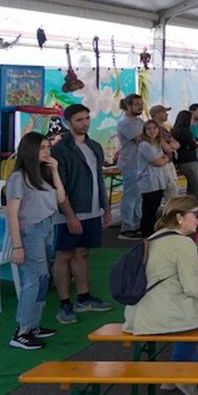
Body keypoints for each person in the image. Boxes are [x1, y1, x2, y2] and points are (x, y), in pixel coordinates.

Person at [123, 196, 198, 395]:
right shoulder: (183, 244)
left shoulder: (155, 237)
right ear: (179, 218)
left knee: (193, 318)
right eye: (195, 215)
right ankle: (192, 376)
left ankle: (174, 375)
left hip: (141, 312)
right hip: (166, 312)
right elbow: (194, 288)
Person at [51, 104, 113, 324]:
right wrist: (69, 216)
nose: (85, 123)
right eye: (79, 120)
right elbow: (60, 188)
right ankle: (64, 302)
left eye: (87, 118)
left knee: (82, 253)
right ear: (69, 122)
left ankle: (84, 298)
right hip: (69, 211)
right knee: (64, 255)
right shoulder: (59, 150)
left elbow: (99, 179)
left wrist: (105, 208)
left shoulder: (94, 146)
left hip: (92, 210)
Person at [7, 132, 66, 350]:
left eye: (47, 146)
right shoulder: (18, 178)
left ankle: (33, 325)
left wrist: (55, 171)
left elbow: (60, 199)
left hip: (47, 227)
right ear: (30, 150)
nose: (47, 151)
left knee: (42, 278)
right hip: (31, 231)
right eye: (42, 147)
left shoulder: (44, 173)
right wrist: (18, 246)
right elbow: (13, 214)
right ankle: (22, 330)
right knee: (34, 279)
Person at [134, 119, 174, 238]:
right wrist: (166, 157)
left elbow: (169, 152)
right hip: (149, 181)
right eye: (149, 129)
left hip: (158, 180)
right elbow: (158, 162)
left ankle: (151, 231)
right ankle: (146, 233)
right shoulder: (144, 145)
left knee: (155, 207)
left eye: (154, 128)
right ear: (145, 131)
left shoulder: (156, 144)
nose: (152, 131)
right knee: (149, 209)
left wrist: (165, 157)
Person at [115, 93, 146, 240]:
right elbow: (142, 139)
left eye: (141, 104)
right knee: (131, 197)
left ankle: (136, 224)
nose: (141, 107)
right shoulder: (125, 123)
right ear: (128, 106)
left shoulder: (139, 121)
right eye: (137, 104)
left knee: (138, 197)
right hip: (130, 164)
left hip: (139, 165)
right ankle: (127, 227)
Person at [172, 110, 198, 206]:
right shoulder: (184, 131)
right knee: (195, 186)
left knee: (191, 186)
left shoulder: (175, 130)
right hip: (189, 161)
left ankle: (190, 207)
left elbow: (195, 142)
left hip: (183, 160)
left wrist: (197, 143)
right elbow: (194, 144)